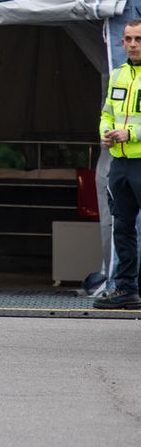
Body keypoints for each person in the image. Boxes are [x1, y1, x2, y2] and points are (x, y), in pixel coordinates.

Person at [94, 20, 141, 309]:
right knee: (122, 227)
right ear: (121, 43)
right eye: (128, 39)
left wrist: (131, 133)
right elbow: (107, 113)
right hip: (121, 165)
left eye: (138, 38)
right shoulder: (119, 75)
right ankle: (126, 288)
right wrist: (106, 134)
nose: (133, 44)